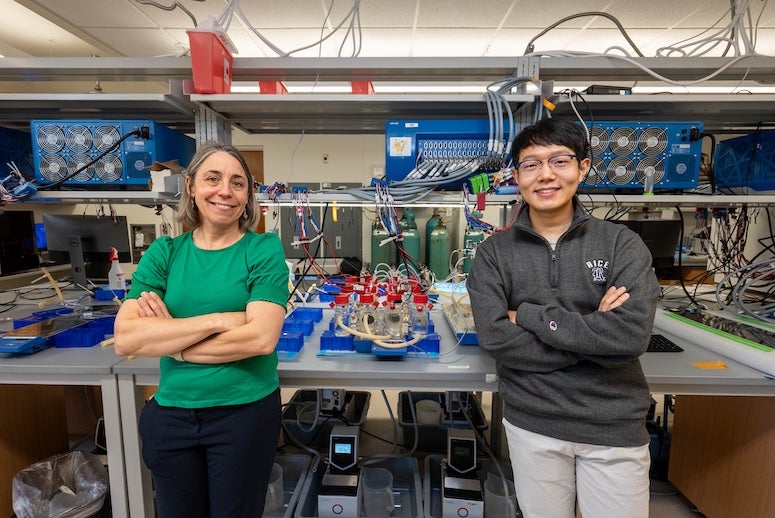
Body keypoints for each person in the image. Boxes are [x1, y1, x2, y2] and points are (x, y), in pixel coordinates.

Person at [467, 118, 661, 518]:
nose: (546, 175)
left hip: (613, 426)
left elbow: (627, 338)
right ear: (517, 176)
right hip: (533, 423)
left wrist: (531, 316)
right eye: (531, 164)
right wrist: (593, 338)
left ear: (583, 167)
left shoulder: (621, 244)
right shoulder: (494, 254)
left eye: (559, 161)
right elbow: (497, 338)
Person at [113, 142, 289, 517]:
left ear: (248, 195)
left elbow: (260, 337)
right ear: (191, 186)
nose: (225, 190)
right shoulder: (165, 252)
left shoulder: (262, 249)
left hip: (243, 416)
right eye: (213, 178)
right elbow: (126, 338)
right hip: (171, 417)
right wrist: (222, 319)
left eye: (238, 183)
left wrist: (170, 338)